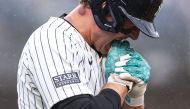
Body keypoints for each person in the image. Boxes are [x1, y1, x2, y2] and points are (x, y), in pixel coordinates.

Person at [17, 0, 163, 109]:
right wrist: (119, 83)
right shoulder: (51, 39)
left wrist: (135, 98)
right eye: (130, 23)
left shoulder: (107, 55)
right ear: (104, 6)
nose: (134, 35)